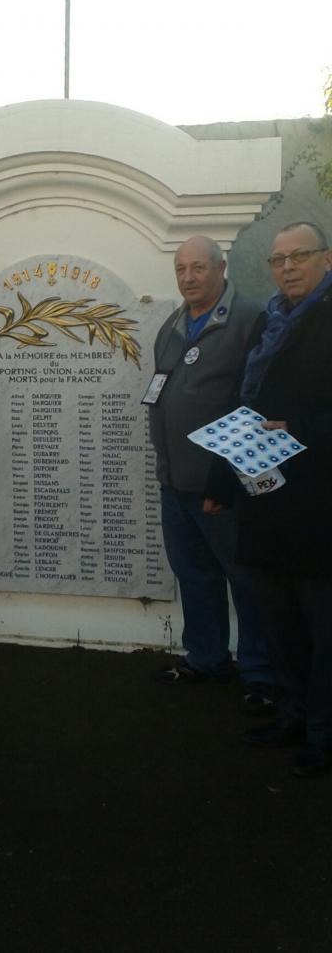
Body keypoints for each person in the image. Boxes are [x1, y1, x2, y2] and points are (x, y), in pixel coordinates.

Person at [217, 223, 332, 776]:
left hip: (317, 501)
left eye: (300, 256)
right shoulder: (271, 319)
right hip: (267, 496)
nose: (287, 267)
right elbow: (249, 398)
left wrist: (301, 430)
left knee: (321, 623)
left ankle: (323, 731)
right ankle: (292, 713)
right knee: (281, 618)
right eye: (278, 259)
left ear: (326, 258)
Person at [148, 235, 274, 707]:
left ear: (221, 269)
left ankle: (262, 675)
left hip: (223, 485)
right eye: (181, 269)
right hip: (176, 483)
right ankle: (206, 658)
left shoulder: (250, 320)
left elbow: (254, 403)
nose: (188, 278)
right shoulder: (173, 325)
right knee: (194, 575)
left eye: (198, 268)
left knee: (246, 580)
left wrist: (227, 477)